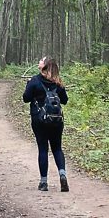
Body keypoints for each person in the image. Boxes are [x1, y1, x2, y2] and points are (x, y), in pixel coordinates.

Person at [22, 55, 69, 192]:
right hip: (56, 121)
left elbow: (26, 98)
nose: (39, 62)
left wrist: (28, 85)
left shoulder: (35, 81)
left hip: (39, 120)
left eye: (41, 60)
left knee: (43, 149)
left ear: (45, 66)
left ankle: (43, 182)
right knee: (57, 148)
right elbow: (65, 100)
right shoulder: (58, 83)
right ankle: (62, 174)